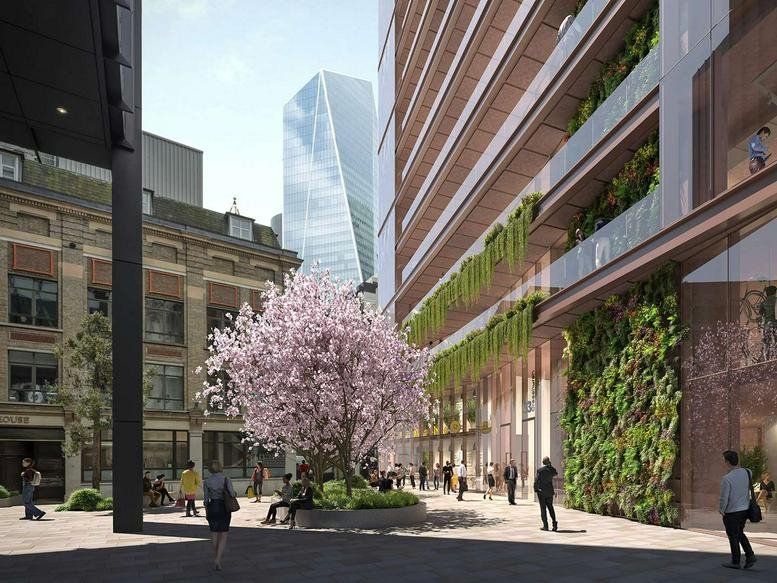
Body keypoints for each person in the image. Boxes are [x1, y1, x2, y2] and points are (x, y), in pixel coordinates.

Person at [720, 450, 757, 570]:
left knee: (733, 536)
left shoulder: (727, 478)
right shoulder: (748, 472)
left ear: (727, 462)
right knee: (739, 533)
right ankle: (750, 556)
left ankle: (736, 562)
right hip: (745, 510)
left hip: (732, 512)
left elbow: (724, 497)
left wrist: (721, 509)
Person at [203, 460, 236, 571]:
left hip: (212, 506)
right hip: (223, 507)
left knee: (214, 533)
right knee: (224, 534)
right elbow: (232, 493)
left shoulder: (207, 481)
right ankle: (218, 559)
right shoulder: (226, 479)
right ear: (220, 467)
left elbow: (205, 500)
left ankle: (216, 555)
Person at [535, 456, 558, 532]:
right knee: (551, 508)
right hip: (549, 492)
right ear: (549, 462)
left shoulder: (540, 470)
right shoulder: (551, 470)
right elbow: (555, 472)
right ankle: (554, 524)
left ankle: (545, 526)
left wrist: (536, 489)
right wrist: (550, 465)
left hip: (542, 492)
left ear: (542, 462)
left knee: (543, 509)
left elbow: (536, 481)